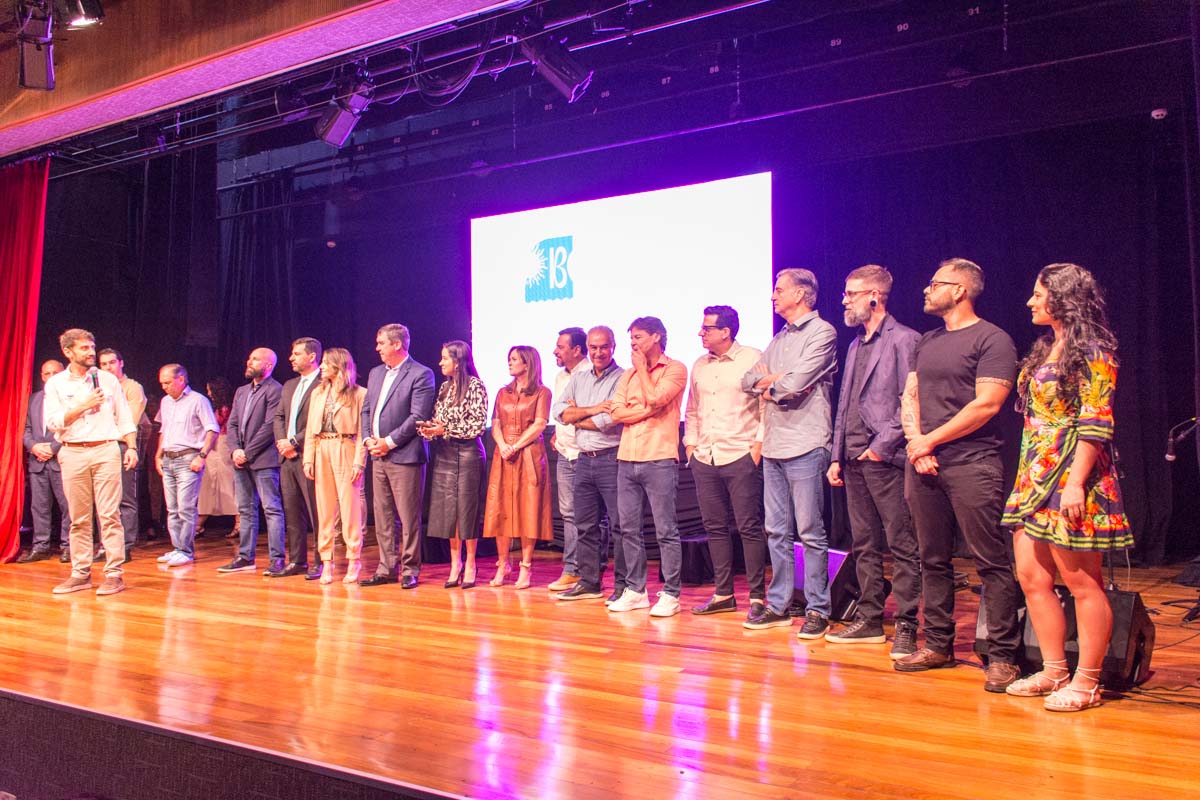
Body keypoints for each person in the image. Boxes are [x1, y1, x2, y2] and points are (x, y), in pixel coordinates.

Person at [1002, 263, 1132, 711]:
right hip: (1033, 476)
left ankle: (1088, 681)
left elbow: (1096, 422)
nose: (1030, 302)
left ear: (1062, 298)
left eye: (1038, 294)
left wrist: (1075, 483)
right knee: (1032, 577)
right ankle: (1054, 669)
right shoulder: (1046, 348)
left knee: (1081, 582)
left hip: (1072, 477)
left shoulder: (1094, 351)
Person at [896, 258, 1023, 693]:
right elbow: (910, 396)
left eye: (936, 284)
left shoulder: (993, 339)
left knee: (990, 560)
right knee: (931, 558)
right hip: (924, 462)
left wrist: (929, 442)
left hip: (973, 462)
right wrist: (917, 445)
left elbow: (987, 404)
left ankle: (1003, 656)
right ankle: (938, 644)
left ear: (960, 290)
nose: (926, 290)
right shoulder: (928, 340)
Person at [824, 265, 923, 658]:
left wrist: (882, 445)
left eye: (850, 294)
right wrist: (836, 455)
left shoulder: (905, 339)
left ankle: (908, 623)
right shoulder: (854, 345)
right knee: (863, 542)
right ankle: (869, 617)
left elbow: (910, 401)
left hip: (886, 457)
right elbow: (845, 403)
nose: (844, 301)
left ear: (874, 297)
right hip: (853, 458)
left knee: (901, 542)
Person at [742, 269, 837, 637]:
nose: (772, 296)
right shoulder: (779, 337)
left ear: (800, 294)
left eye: (779, 290)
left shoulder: (822, 332)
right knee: (776, 531)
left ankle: (818, 609)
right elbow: (747, 380)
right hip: (775, 445)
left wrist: (775, 381)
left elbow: (796, 385)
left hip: (806, 442)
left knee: (810, 531)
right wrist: (775, 381)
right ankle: (779, 605)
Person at [683, 306, 767, 619]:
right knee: (714, 527)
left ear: (725, 332)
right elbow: (692, 409)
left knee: (749, 526)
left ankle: (757, 598)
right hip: (706, 455)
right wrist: (690, 445)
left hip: (740, 453)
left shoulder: (752, 357)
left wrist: (757, 446)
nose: (701, 333)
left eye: (707, 328)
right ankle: (723, 594)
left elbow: (765, 405)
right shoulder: (699, 365)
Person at [43, 328, 138, 596]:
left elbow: (124, 417)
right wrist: (84, 405)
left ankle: (114, 574)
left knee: (109, 515)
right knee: (78, 518)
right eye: (84, 348)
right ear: (68, 351)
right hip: (72, 452)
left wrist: (131, 446)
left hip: (106, 449)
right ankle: (80, 573)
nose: (91, 352)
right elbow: (54, 422)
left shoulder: (107, 380)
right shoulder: (56, 384)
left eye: (92, 346)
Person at [607, 317, 688, 617]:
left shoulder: (675, 368)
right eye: (631, 338)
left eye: (638, 337)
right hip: (627, 458)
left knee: (666, 529)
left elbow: (656, 398)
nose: (633, 343)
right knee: (628, 529)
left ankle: (671, 594)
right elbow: (616, 413)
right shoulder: (626, 376)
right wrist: (646, 410)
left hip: (659, 458)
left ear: (656, 337)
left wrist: (642, 370)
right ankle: (635, 590)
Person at [552, 326, 626, 603]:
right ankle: (589, 583)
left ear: (613, 347)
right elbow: (558, 412)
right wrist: (593, 409)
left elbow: (610, 421)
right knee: (585, 525)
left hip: (611, 458)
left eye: (603, 347)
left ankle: (624, 586)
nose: (598, 352)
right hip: (583, 458)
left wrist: (576, 417)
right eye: (593, 347)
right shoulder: (579, 378)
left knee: (620, 526)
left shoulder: (622, 378)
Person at [360, 323, 435, 589]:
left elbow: (418, 416)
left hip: (405, 455)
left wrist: (388, 442)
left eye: (381, 343)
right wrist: (368, 439)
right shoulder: (375, 373)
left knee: (407, 516)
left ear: (397, 344)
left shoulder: (420, 374)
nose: (377, 348)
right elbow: (366, 410)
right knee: (382, 515)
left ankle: (410, 569)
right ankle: (386, 567)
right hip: (377, 455)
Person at [482, 345, 554, 588]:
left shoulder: (542, 392)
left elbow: (540, 424)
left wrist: (517, 445)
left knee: (528, 508)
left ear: (527, 363)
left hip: (529, 453)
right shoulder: (503, 392)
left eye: (514, 359)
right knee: (500, 508)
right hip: (504, 454)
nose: (510, 363)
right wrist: (503, 445)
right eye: (509, 359)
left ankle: (526, 566)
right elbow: (496, 423)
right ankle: (503, 564)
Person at [418, 340, 488, 589]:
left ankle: (471, 563)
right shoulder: (445, 387)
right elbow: (439, 421)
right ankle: (455, 563)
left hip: (468, 454)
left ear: (457, 361)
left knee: (466, 510)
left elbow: (477, 425)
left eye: (445, 358)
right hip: (445, 453)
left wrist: (444, 429)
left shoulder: (475, 386)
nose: (440, 363)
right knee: (448, 512)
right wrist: (430, 429)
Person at [303, 348, 368, 585]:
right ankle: (327, 561)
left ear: (338, 366)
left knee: (350, 508)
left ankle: (354, 559)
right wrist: (308, 458)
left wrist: (359, 461)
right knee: (324, 509)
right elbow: (310, 431)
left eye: (325, 363)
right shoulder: (318, 393)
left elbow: (362, 432)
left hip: (345, 447)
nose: (321, 367)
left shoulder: (359, 393)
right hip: (322, 448)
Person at [219, 347, 285, 574]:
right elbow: (232, 424)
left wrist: (248, 452)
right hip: (241, 460)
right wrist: (235, 450)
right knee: (245, 509)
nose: (249, 361)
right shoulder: (242, 391)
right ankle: (245, 557)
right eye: (249, 358)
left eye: (255, 359)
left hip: (264, 460)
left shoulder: (275, 390)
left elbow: (270, 426)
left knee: (271, 509)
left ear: (268, 365)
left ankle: (277, 559)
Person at [153, 364, 219, 566]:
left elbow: (212, 430)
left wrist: (202, 456)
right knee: (172, 509)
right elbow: (164, 430)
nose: (164, 387)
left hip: (188, 458)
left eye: (167, 382)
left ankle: (185, 551)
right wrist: (158, 455)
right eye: (161, 383)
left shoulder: (198, 400)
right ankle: (177, 548)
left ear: (181, 379)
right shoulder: (165, 402)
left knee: (185, 507)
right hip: (169, 458)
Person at [272, 337, 326, 579]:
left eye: (296, 354)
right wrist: (283, 444)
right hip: (287, 458)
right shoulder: (289, 385)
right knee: (292, 511)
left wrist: (294, 442)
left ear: (312, 357)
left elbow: (321, 420)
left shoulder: (324, 383)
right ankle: (297, 560)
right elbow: (279, 417)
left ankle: (321, 561)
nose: (291, 358)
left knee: (317, 511)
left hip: (310, 455)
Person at [547, 327, 592, 593]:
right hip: (565, 452)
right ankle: (572, 569)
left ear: (576, 349)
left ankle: (589, 570)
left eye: (561, 347)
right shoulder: (560, 376)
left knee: (591, 515)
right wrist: (557, 433)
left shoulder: (590, 373)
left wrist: (572, 412)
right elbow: (561, 412)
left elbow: (583, 413)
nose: (555, 351)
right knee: (568, 513)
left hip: (587, 453)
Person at [17, 360, 70, 563]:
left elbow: (72, 428)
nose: (51, 377)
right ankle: (41, 546)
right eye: (47, 373)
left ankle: (68, 546)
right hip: (37, 461)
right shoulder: (34, 399)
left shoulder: (70, 399)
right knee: (39, 507)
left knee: (68, 506)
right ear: (41, 376)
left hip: (61, 460)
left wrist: (53, 448)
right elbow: (26, 429)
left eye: (55, 373)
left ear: (63, 374)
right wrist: (33, 447)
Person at [99, 348, 149, 559]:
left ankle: (125, 546)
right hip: (101, 446)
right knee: (104, 498)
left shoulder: (132, 387)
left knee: (125, 498)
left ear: (121, 363)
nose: (108, 367)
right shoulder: (99, 387)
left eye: (112, 362)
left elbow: (130, 421)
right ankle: (106, 545)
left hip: (122, 444)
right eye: (103, 364)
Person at [197, 377, 238, 535]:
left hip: (222, 443)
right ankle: (199, 523)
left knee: (228, 481)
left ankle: (239, 522)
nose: (208, 393)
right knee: (208, 483)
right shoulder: (213, 407)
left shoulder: (225, 408)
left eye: (210, 389)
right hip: (212, 446)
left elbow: (216, 424)